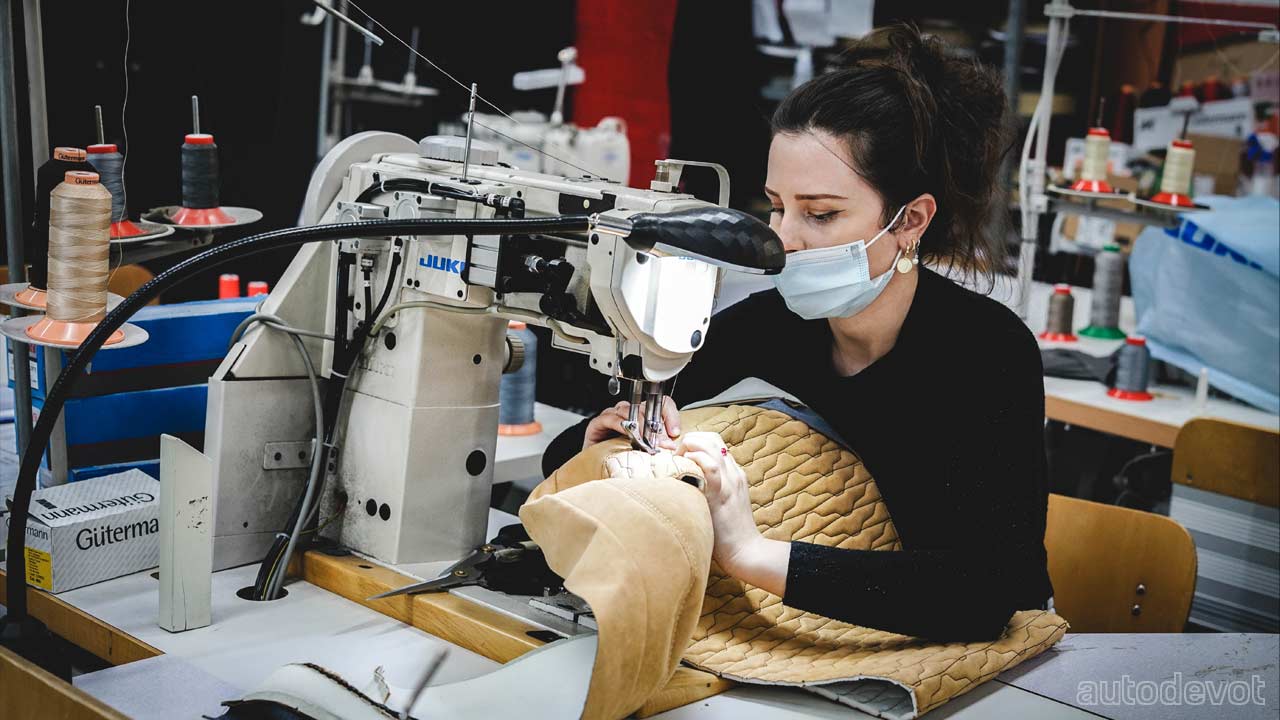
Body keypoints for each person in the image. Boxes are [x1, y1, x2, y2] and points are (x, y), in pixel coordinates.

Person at [541, 25, 1052, 642]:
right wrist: (602, 437)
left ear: (910, 220)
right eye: (777, 206)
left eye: (821, 213)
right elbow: (561, 458)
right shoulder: (767, 326)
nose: (784, 238)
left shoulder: (988, 354)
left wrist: (749, 552)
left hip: (984, 660)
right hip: (815, 636)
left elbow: (982, 593)